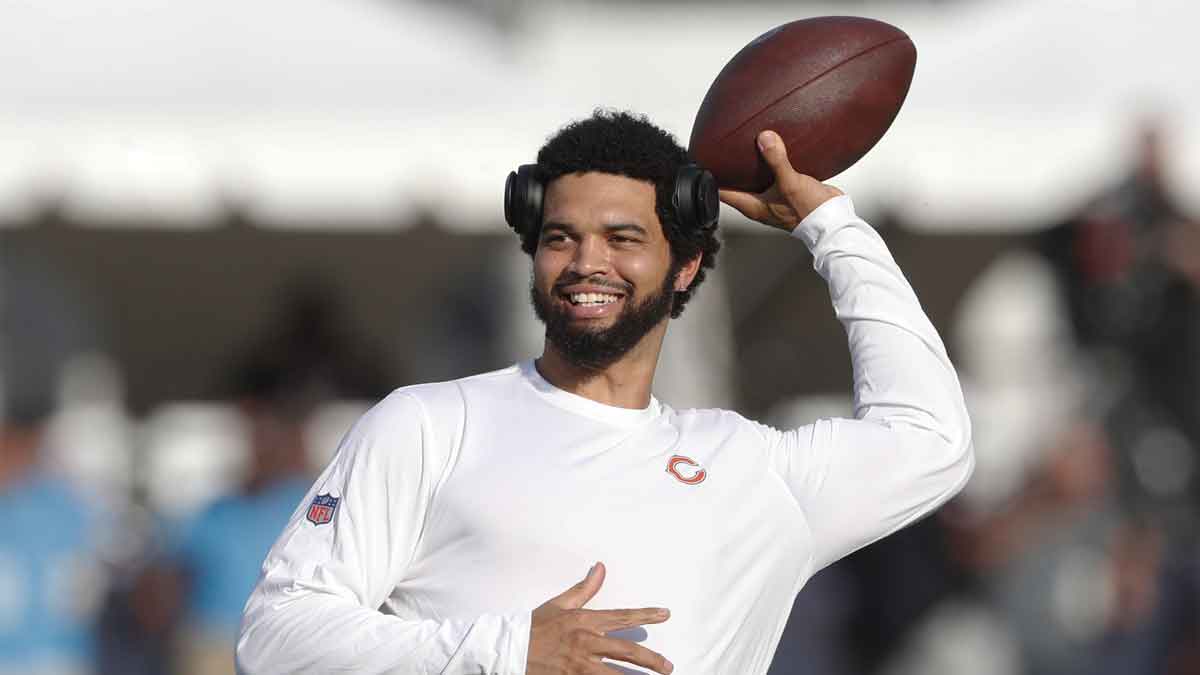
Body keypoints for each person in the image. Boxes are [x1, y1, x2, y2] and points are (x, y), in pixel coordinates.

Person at [236, 110, 974, 674]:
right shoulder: (429, 425)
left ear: (684, 267)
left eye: (623, 238)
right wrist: (505, 650)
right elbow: (273, 637)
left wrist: (830, 226)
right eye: (560, 237)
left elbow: (932, 438)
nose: (588, 262)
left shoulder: (754, 470)